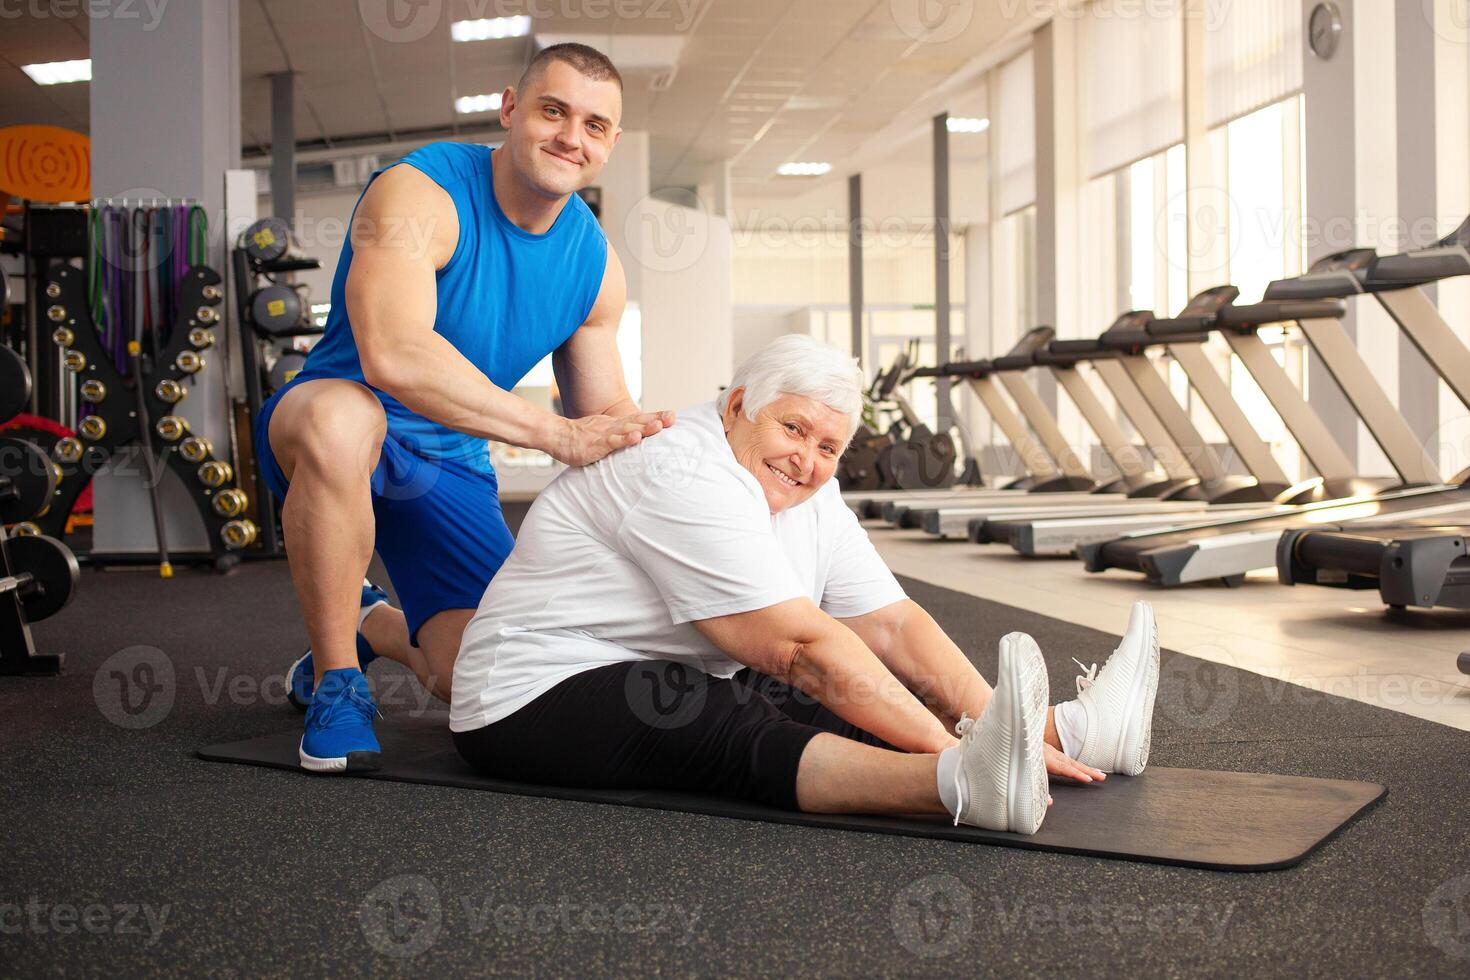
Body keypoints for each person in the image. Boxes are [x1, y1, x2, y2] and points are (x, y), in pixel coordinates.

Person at [449, 335, 1160, 834]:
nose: (806, 460)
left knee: (852, 696)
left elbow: (891, 625)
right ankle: (968, 784)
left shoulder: (812, 492)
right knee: (728, 708)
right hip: (531, 692)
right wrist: (950, 748)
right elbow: (798, 648)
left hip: (666, 660)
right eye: (793, 429)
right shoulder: (681, 469)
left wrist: (997, 714)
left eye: (828, 447)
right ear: (736, 407)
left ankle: (1069, 731)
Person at [253, 43, 674, 773]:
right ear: (510, 109)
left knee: (475, 677)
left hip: (448, 459)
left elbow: (603, 421)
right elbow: (392, 352)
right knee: (346, 417)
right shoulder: (421, 193)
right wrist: (551, 433)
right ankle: (336, 683)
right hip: (331, 421)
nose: (572, 137)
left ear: (608, 144)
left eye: (596, 126)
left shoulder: (596, 268)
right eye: (553, 111)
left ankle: (369, 624)